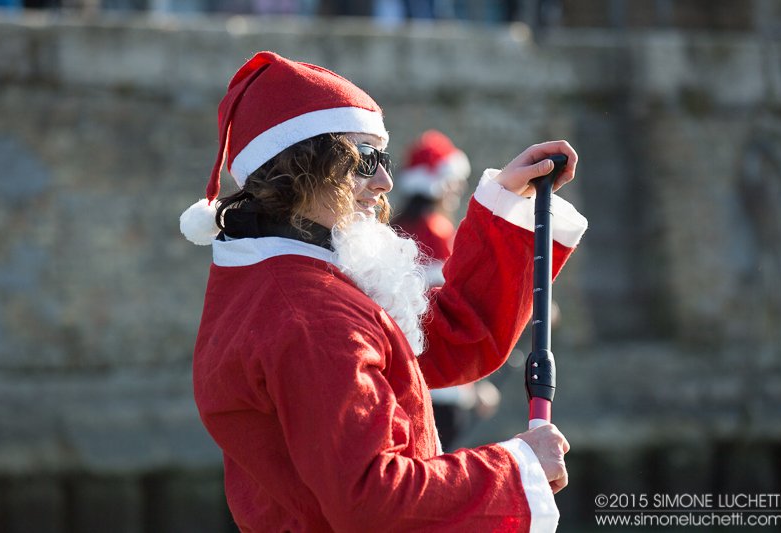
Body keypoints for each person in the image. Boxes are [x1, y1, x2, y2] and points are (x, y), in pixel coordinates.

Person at [179, 51, 588, 532]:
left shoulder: (283, 277)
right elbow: (373, 498)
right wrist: (518, 469)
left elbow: (449, 338)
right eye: (365, 160)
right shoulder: (311, 315)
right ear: (304, 167)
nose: (385, 181)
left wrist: (506, 204)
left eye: (385, 158)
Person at [393, 129, 502, 450]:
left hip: (405, 381)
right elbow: (450, 316)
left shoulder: (396, 228)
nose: (459, 189)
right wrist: (473, 384)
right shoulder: (438, 232)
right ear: (439, 184)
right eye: (454, 180)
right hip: (443, 385)